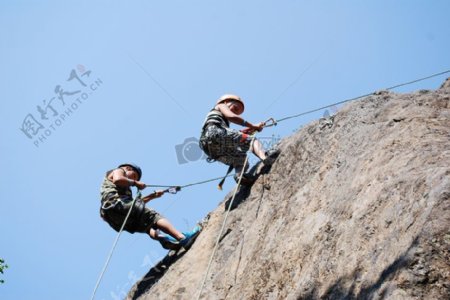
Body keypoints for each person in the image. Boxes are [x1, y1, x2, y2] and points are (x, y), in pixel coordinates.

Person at [100, 163, 200, 250]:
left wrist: (152, 196)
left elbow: (136, 205)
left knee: (148, 226)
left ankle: (164, 239)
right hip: (117, 205)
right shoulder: (119, 170)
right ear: (127, 168)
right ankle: (182, 238)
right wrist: (135, 182)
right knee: (154, 216)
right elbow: (118, 179)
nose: (133, 179)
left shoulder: (124, 190)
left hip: (115, 217)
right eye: (134, 176)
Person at [199, 94, 280, 185]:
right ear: (226, 102)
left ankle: (240, 176)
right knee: (251, 140)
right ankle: (265, 157)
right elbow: (232, 117)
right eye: (235, 107)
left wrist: (251, 129)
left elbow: (233, 135)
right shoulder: (221, 105)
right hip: (214, 132)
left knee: (241, 159)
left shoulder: (220, 120)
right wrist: (252, 126)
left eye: (237, 112)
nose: (235, 112)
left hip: (209, 148)